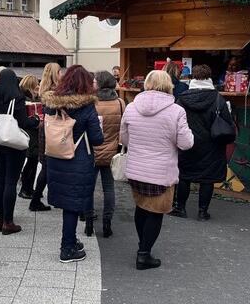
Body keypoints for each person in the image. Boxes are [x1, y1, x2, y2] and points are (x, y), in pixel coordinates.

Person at [120, 70, 193, 270]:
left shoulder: (131, 107)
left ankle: (142, 245)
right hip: (161, 172)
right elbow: (186, 143)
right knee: (156, 212)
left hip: (136, 169)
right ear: (168, 85)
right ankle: (144, 254)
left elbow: (124, 139)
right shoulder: (176, 111)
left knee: (141, 206)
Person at [43, 65, 104, 263]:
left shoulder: (51, 103)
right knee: (72, 204)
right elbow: (96, 139)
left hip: (55, 156)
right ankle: (67, 248)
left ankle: (71, 239)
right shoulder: (86, 106)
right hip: (77, 159)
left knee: (66, 201)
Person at [171, 64, 233, 221]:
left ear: (193, 78)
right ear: (209, 77)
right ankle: (202, 212)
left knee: (184, 176)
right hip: (212, 145)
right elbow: (227, 122)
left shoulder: (183, 98)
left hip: (188, 143)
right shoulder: (218, 99)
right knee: (208, 178)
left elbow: (175, 121)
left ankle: (180, 208)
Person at [0, 69, 39, 235]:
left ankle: (0, 220)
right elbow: (23, 122)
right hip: (13, 144)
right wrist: (36, 120)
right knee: (11, 181)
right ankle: (8, 223)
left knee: (0, 180)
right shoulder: (16, 98)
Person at [89, 71, 124, 238]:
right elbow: (123, 130)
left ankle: (88, 222)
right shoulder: (120, 103)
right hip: (111, 152)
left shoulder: (91, 102)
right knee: (109, 189)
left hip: (92, 151)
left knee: (88, 187)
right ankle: (107, 223)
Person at [30, 62, 61, 212]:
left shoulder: (44, 89)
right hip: (53, 130)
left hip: (46, 129)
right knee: (48, 167)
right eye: (59, 71)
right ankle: (35, 200)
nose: (61, 74)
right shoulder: (55, 93)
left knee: (46, 166)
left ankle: (36, 199)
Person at [18, 74, 41, 199]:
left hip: (29, 133)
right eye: (36, 85)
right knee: (31, 160)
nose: (38, 87)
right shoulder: (26, 99)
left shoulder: (23, 96)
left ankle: (28, 188)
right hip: (31, 133)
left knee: (32, 161)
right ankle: (25, 189)